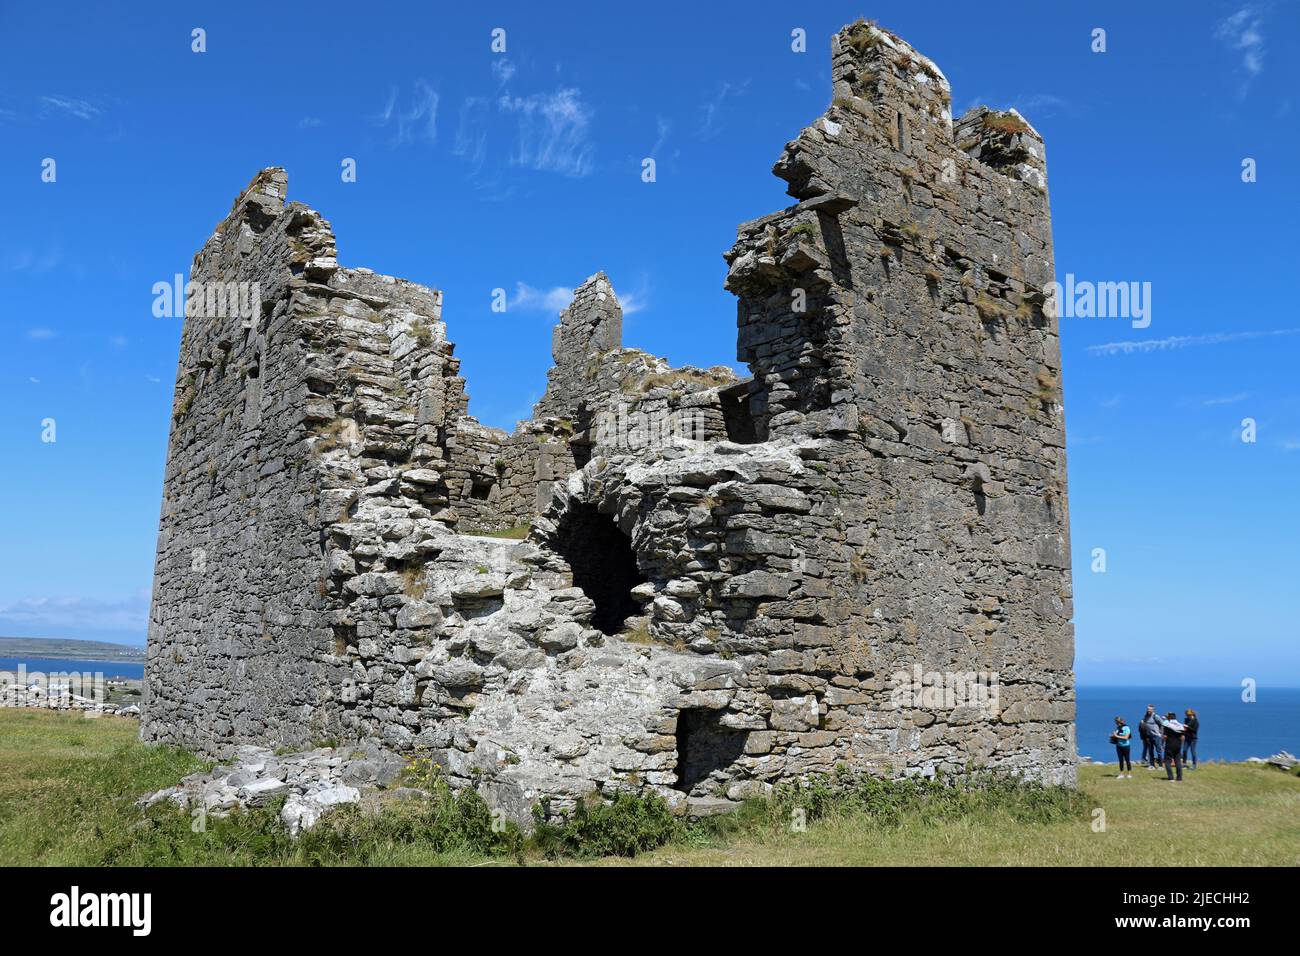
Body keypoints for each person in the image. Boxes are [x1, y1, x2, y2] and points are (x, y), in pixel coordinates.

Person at [1159, 711, 1186, 781]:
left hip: (1169, 745)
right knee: (1178, 761)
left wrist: (1162, 743)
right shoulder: (1180, 726)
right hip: (1178, 745)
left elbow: (1165, 736)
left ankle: (1171, 778)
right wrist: (1180, 745)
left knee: (1167, 761)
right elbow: (1183, 737)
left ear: (1169, 718)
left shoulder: (1167, 726)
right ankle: (1179, 778)